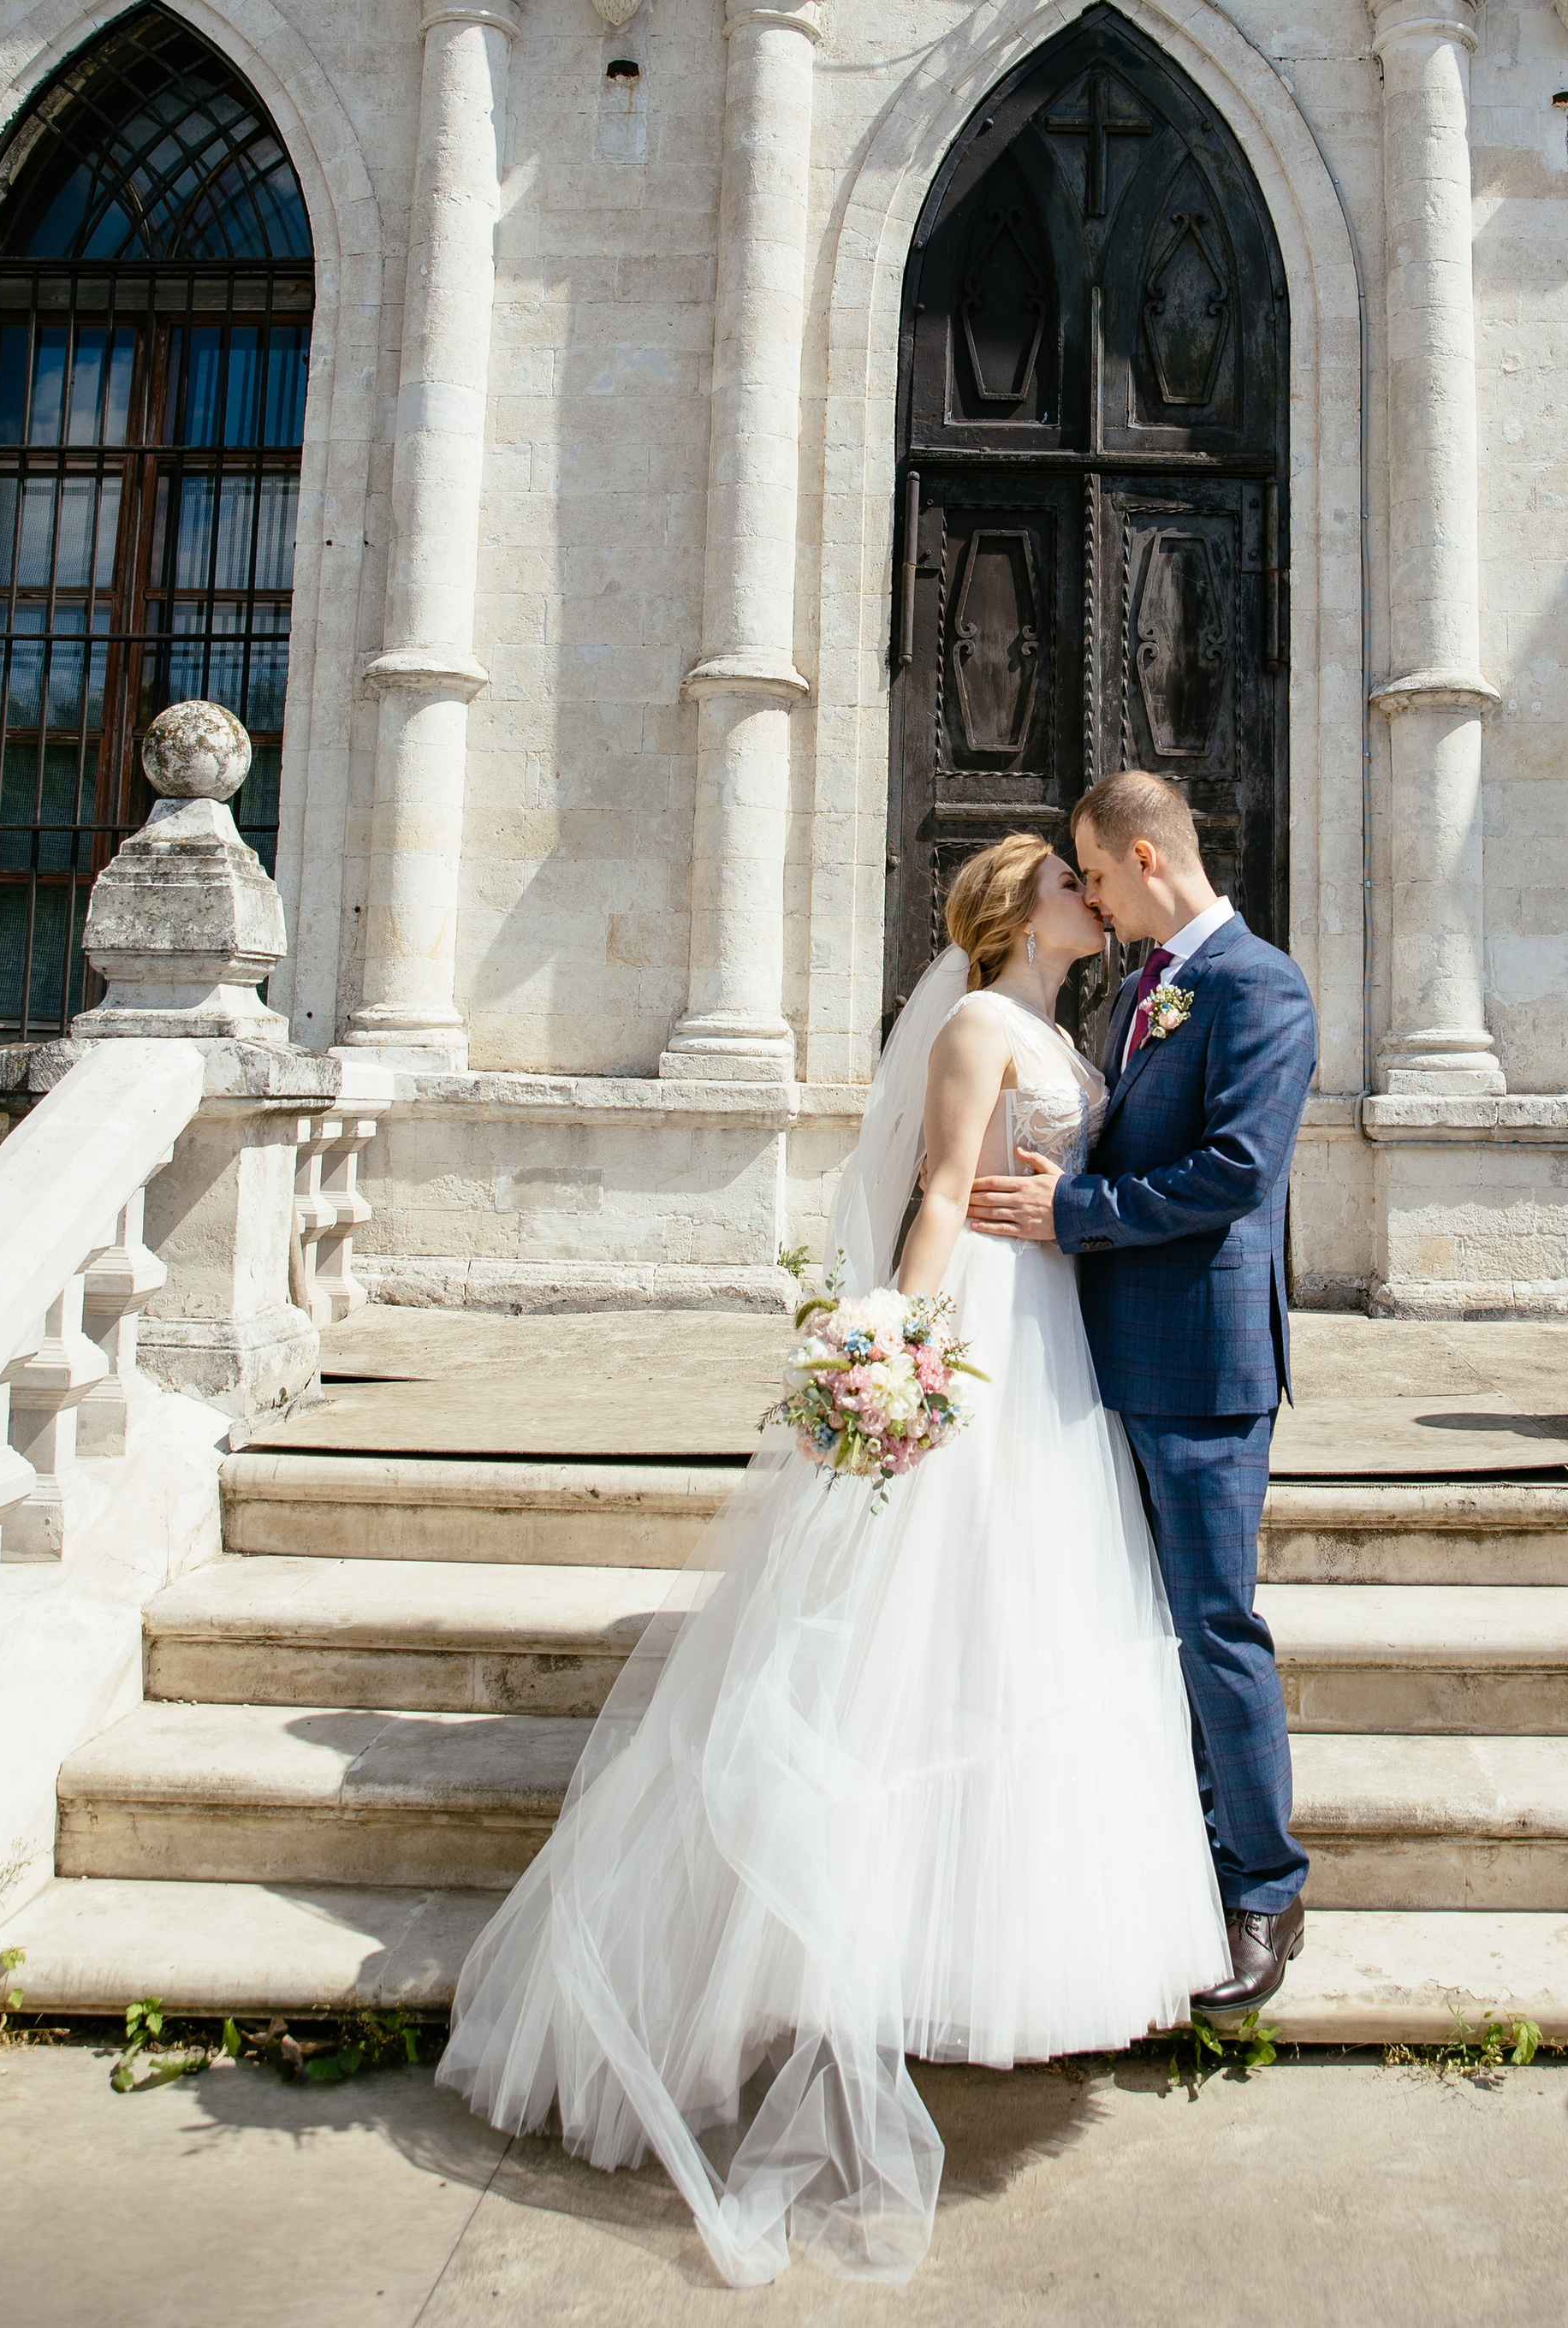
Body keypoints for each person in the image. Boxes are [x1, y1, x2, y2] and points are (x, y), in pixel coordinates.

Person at [438, 832, 1226, 2288]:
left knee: (1023, 1624)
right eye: (1068, 882)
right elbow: (937, 1192)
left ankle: (983, 1952)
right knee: (929, 1616)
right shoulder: (987, 1021)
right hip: (988, 1317)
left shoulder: (1064, 1024)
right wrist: (899, 1346)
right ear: (1014, 913)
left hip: (1056, 1330)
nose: (1087, 895)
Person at [967, 770, 1319, 2014]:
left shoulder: (1259, 986)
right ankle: (1174, 1860)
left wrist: (1072, 1211)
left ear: (1147, 861)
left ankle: (1266, 1888)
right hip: (1107, 1352)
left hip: (1203, 1364)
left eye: (1099, 876)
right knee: (1139, 1625)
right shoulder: (1140, 994)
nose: (1096, 903)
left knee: (1216, 1626)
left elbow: (1235, 1170)